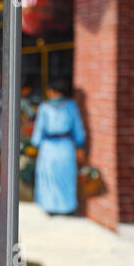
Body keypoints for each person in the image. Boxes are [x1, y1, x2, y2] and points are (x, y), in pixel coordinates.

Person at [29, 78, 86, 215]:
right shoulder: (71, 106)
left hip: (48, 146)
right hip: (65, 146)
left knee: (49, 176)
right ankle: (66, 207)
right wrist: (80, 142)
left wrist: (35, 143)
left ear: (53, 91)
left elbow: (39, 129)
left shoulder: (45, 107)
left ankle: (50, 206)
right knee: (65, 176)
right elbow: (78, 128)